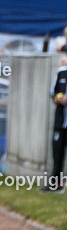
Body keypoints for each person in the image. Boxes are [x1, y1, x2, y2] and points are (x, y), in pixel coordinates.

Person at [45, 57, 67, 194]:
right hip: (60, 123)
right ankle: (55, 184)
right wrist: (57, 98)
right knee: (57, 153)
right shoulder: (61, 72)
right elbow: (52, 91)